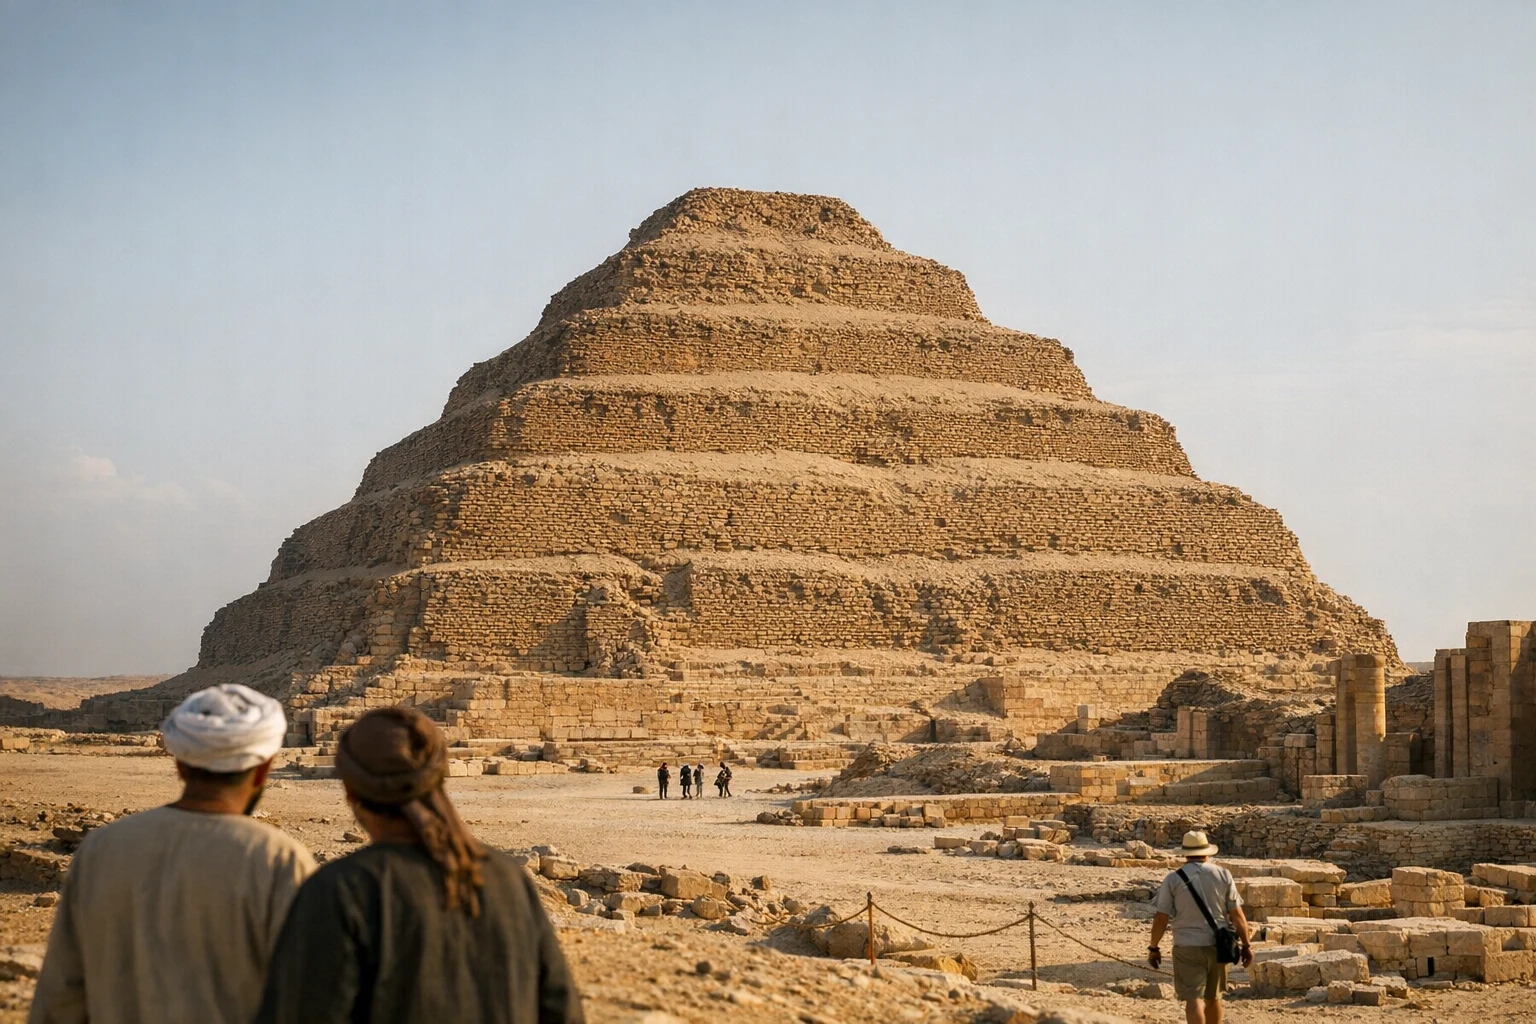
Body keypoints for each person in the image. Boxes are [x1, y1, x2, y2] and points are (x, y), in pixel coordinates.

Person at [253, 706, 583, 1024]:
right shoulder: (508, 878)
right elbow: (561, 1008)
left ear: (351, 791)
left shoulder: (341, 891)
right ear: (440, 777)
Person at [29, 684, 314, 1024]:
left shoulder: (102, 849)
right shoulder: (279, 860)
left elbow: (60, 996)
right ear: (264, 769)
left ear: (179, 764)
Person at [1147, 831, 1253, 1024]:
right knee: (1214, 998)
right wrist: (1246, 944)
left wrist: (1154, 947)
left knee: (1193, 998)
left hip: (1186, 946)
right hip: (1218, 945)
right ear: (1207, 852)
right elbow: (1237, 915)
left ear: (1185, 853)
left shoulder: (1173, 879)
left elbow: (1161, 918)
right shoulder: (1223, 874)